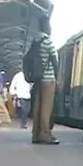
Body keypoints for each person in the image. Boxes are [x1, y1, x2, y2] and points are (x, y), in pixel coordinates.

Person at [29, 16, 60, 145]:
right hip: (48, 79)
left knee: (37, 107)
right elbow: (55, 60)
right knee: (46, 108)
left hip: (37, 79)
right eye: (50, 25)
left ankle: (35, 134)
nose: (51, 28)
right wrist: (57, 77)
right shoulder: (47, 41)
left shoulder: (35, 40)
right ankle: (45, 134)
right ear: (46, 26)